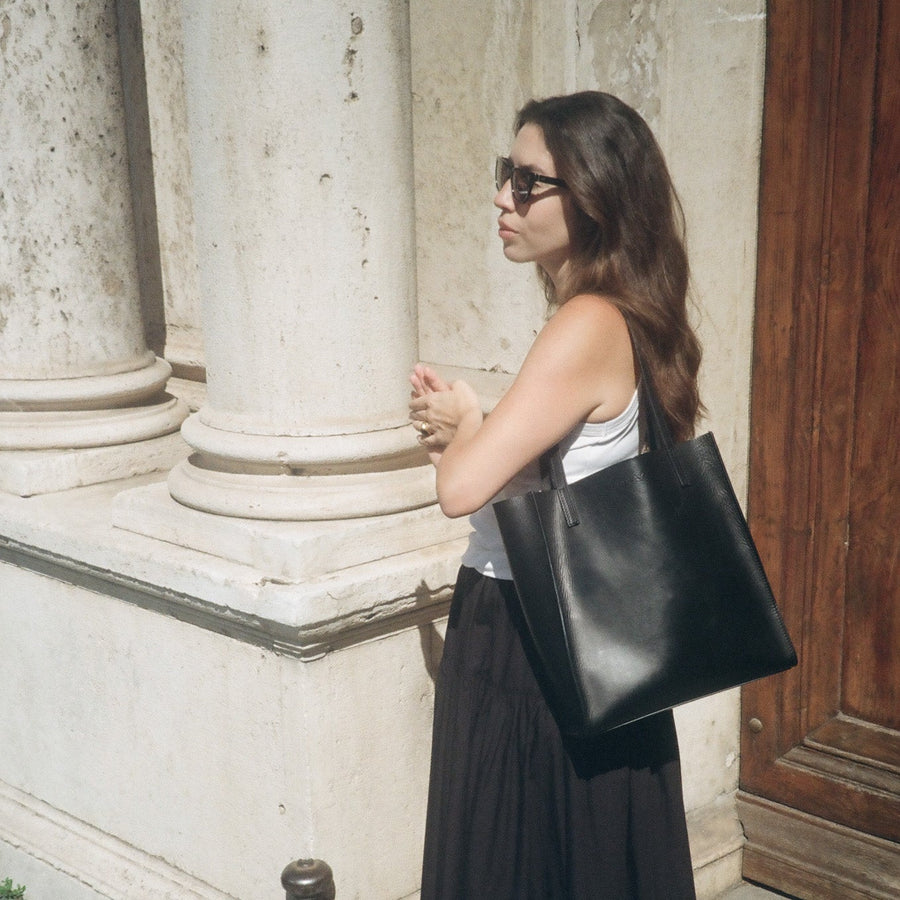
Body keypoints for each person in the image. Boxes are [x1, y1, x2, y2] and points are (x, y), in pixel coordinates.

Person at [409, 91, 701, 899]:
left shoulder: (585, 323)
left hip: (531, 640)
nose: (504, 198)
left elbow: (462, 488)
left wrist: (465, 425)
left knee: (516, 859)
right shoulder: (629, 315)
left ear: (596, 197)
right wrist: (476, 421)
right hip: (598, 641)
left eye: (530, 182)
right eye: (507, 175)